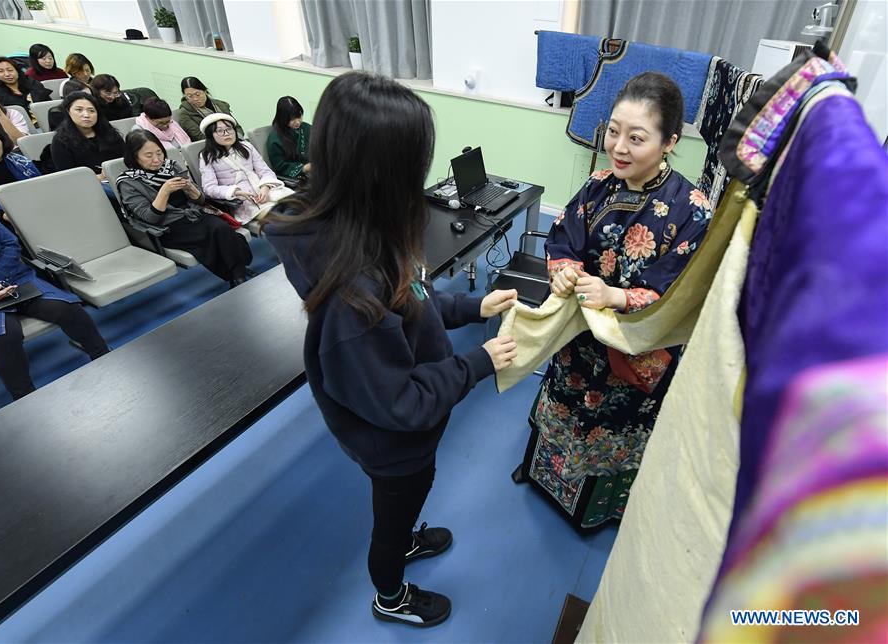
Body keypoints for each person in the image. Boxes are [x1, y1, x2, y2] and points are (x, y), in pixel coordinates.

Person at [264, 72, 519, 628]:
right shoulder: (353, 296)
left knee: (409, 498)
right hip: (394, 444)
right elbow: (403, 404)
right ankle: (391, 593)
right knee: (395, 509)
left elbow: (417, 302)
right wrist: (478, 361)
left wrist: (471, 308)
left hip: (403, 428)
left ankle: (403, 538)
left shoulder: (365, 234)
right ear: (385, 173)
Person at [511, 72, 713, 531]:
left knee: (613, 425)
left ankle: (597, 510)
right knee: (561, 405)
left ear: (669, 142)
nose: (619, 147)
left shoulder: (693, 210)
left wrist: (616, 295)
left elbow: (680, 294)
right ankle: (543, 476)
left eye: (636, 137)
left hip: (634, 350)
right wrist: (564, 273)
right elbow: (563, 239)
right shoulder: (599, 183)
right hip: (579, 339)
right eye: (614, 132)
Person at [0, 209, 109, 401]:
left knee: (66, 308)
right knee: (2, 335)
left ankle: (103, 356)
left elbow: (10, 244)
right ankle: (24, 398)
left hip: (13, 277)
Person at [117, 130, 253, 288]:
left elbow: (201, 200)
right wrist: (164, 191)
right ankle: (238, 274)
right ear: (134, 156)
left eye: (159, 153)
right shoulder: (128, 182)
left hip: (193, 215)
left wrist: (190, 189)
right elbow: (150, 218)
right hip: (168, 226)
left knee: (221, 228)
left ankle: (237, 275)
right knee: (216, 233)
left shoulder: (171, 166)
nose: (156, 159)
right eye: (148, 155)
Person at [199, 113, 289, 225]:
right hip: (242, 202)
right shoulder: (207, 157)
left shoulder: (247, 146)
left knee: (300, 206)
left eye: (229, 129)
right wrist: (236, 192)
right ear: (210, 135)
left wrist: (265, 187)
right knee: (283, 217)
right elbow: (209, 188)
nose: (227, 134)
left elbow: (265, 171)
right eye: (220, 131)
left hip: (264, 191)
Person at [50, 93, 123, 197]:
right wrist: (99, 177)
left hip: (119, 178)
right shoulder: (60, 141)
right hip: (89, 187)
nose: (86, 115)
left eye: (91, 111)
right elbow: (68, 178)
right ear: (68, 111)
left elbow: (126, 157)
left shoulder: (109, 131)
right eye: (79, 110)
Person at [0, 120, 41, 218]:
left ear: (1, 139)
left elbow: (42, 189)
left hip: (35, 208)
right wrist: (4, 216)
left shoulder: (21, 162)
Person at [175, 77, 243, 141]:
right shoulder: (184, 113)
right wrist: (224, 140)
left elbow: (236, 127)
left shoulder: (220, 105)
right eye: (190, 96)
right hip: (211, 147)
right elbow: (199, 137)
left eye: (198, 94)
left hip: (234, 140)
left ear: (205, 91)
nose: (195, 99)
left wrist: (237, 139)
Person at [0, 57, 52, 126]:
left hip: (47, 122)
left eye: (10, 70)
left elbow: (48, 103)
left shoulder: (31, 82)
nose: (7, 74)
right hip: (19, 126)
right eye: (1, 71)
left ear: (17, 70)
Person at [266, 95, 310, 182]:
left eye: (299, 116)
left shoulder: (307, 128)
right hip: (298, 178)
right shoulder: (275, 139)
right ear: (283, 119)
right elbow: (280, 167)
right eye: (292, 119)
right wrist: (304, 168)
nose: (298, 122)